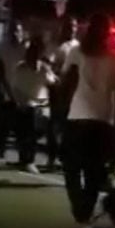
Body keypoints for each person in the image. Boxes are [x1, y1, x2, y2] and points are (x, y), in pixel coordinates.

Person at [61, 13, 115, 228]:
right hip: (102, 120)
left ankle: (81, 216)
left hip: (80, 118)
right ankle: (83, 216)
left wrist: (59, 114)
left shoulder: (77, 52)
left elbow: (66, 83)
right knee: (90, 172)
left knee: (73, 170)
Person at [12, 37, 58, 174]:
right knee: (24, 133)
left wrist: (52, 73)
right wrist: (20, 102)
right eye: (30, 52)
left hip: (40, 106)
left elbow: (53, 82)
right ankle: (25, 159)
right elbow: (16, 87)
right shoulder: (20, 68)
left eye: (35, 52)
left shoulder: (44, 68)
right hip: (23, 105)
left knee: (33, 133)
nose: (32, 55)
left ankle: (29, 159)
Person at [45, 16, 79, 171]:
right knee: (54, 124)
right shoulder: (55, 45)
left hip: (73, 92)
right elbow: (47, 65)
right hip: (56, 90)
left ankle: (66, 158)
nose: (71, 29)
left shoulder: (78, 47)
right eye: (68, 26)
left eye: (73, 26)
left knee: (69, 127)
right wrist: (55, 78)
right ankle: (52, 157)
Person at [0, 19, 27, 160]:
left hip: (22, 95)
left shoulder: (26, 49)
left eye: (18, 31)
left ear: (22, 32)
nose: (15, 34)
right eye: (13, 31)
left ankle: (25, 158)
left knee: (23, 129)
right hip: (5, 93)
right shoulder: (1, 48)